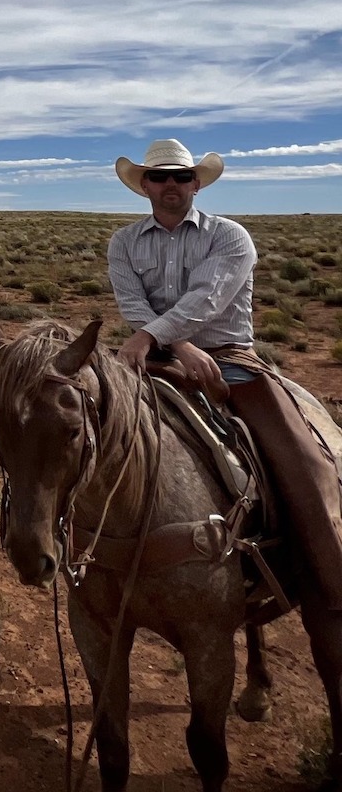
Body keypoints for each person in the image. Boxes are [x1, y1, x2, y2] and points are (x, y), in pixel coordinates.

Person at [108, 138, 342, 610]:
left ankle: (330, 578)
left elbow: (207, 299)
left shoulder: (230, 236)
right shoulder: (123, 242)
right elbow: (132, 303)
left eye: (180, 176)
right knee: (88, 428)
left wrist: (158, 337)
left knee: (302, 459)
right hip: (155, 354)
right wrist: (174, 344)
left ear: (196, 183)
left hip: (232, 358)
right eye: (159, 176)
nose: (169, 184)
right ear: (144, 186)